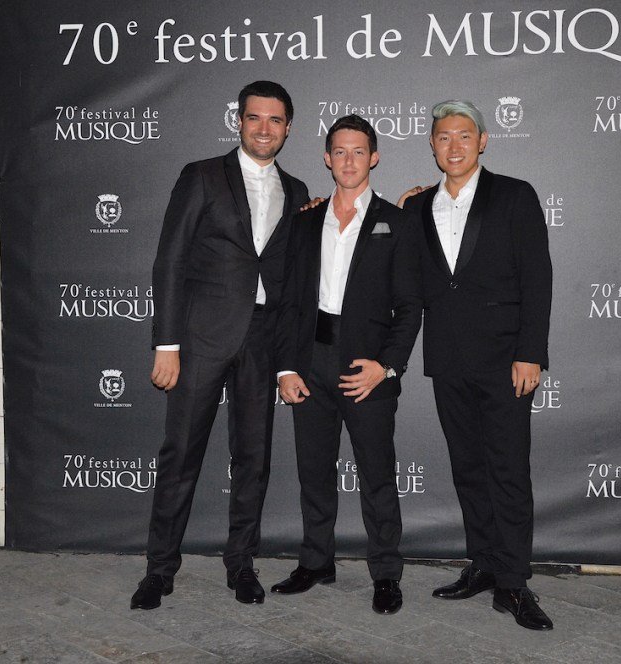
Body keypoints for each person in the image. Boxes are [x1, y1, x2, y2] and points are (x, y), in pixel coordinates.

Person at [132, 81, 309, 610]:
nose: (264, 129)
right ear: (239, 121)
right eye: (255, 118)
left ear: (288, 128)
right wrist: (167, 343)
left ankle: (242, 564)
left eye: (275, 120)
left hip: (262, 339)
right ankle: (159, 570)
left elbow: (293, 272)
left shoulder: (297, 190)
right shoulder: (202, 175)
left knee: (253, 458)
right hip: (201, 338)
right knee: (181, 454)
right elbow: (170, 259)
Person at [400, 100, 554, 630]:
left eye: (465, 135)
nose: (455, 145)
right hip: (447, 360)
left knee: (507, 471)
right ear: (432, 145)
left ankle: (513, 583)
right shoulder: (417, 207)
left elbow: (537, 277)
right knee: (468, 469)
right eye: (444, 137)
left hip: (506, 360)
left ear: (483, 141)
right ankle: (484, 564)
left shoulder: (514, 195)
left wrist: (530, 352)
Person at [271, 115, 422, 614]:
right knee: (314, 470)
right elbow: (289, 302)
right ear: (326, 158)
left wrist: (387, 366)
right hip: (311, 358)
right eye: (340, 151)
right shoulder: (304, 220)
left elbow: (410, 307)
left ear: (374, 157)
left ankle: (386, 573)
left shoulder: (397, 223)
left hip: (367, 367)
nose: (349, 160)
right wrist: (286, 368)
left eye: (359, 151)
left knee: (377, 475)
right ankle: (316, 561)